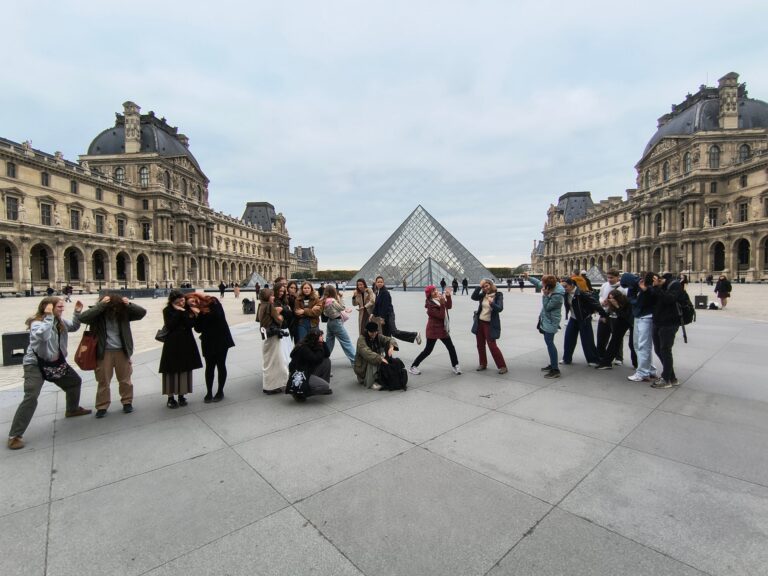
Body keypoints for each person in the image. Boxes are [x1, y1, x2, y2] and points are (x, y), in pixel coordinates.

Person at [7, 297, 91, 450]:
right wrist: (49, 317)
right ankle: (15, 435)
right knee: (31, 396)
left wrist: (77, 313)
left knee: (74, 382)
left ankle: (72, 409)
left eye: (62, 307)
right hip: (35, 365)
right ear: (48, 307)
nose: (62, 309)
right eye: (59, 307)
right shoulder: (36, 323)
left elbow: (73, 327)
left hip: (55, 363)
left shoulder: (60, 321)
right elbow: (43, 336)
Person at [79, 293, 147, 417]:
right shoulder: (98, 314)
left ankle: (127, 402)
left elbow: (142, 313)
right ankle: (102, 406)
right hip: (103, 352)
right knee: (103, 381)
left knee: (125, 380)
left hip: (122, 351)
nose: (114, 309)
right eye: (111, 307)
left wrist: (129, 304)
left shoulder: (124, 314)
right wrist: (100, 306)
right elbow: (83, 318)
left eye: (116, 306)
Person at [159, 290, 203, 408]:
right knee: (170, 371)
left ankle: (181, 395)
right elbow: (170, 325)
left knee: (184, 369)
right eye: (178, 302)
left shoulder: (187, 310)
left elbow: (190, 324)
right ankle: (170, 398)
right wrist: (179, 312)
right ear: (172, 302)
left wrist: (185, 312)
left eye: (183, 300)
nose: (182, 303)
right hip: (172, 344)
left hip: (186, 343)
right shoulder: (167, 310)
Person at [187, 293, 234, 403]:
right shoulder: (195, 311)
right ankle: (209, 392)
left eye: (194, 301)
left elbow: (217, 316)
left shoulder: (213, 301)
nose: (194, 304)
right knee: (209, 366)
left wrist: (200, 313)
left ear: (197, 297)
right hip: (208, 340)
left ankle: (220, 391)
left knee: (221, 364)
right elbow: (198, 329)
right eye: (191, 304)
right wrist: (196, 315)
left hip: (221, 338)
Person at [409, 285, 460, 376]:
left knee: (451, 347)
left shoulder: (439, 299)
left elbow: (449, 306)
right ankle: (413, 366)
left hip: (443, 329)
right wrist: (442, 303)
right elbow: (441, 316)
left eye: (435, 290)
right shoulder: (430, 305)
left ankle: (455, 365)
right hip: (433, 330)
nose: (436, 292)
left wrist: (448, 296)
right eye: (433, 291)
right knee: (428, 350)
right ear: (429, 295)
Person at [560, 277, 607, 366]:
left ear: (572, 285)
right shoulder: (566, 293)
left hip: (584, 319)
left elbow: (595, 304)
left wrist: (603, 315)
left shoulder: (582, 293)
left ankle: (593, 360)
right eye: (562, 286)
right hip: (573, 319)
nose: (564, 288)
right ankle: (566, 359)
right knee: (569, 338)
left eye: (565, 286)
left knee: (587, 340)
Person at [525, 274, 564, 379]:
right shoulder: (551, 286)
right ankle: (553, 364)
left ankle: (555, 370)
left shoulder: (558, 295)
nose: (541, 284)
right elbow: (538, 283)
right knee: (549, 343)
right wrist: (528, 278)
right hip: (547, 319)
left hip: (551, 321)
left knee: (550, 343)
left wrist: (545, 295)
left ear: (548, 285)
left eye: (543, 282)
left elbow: (547, 307)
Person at [622, 272, 659, 382]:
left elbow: (650, 298)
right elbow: (632, 299)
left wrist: (644, 290)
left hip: (646, 317)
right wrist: (636, 300)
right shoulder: (633, 287)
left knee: (643, 345)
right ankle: (650, 370)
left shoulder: (646, 285)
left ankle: (643, 372)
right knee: (638, 345)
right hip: (639, 316)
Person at [649, 273, 682, 388]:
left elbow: (669, 299)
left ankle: (666, 379)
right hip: (658, 321)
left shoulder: (675, 285)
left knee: (665, 350)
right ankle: (672, 377)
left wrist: (657, 288)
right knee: (658, 349)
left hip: (669, 323)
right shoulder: (658, 287)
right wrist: (649, 289)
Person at [471, 279, 507, 374]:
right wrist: (479, 286)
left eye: (487, 285)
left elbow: (500, 308)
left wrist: (492, 303)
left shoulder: (498, 295)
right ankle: (483, 363)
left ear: (491, 285)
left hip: (490, 324)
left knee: (492, 346)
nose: (485, 288)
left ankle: (502, 366)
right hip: (480, 322)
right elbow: (473, 297)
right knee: (480, 345)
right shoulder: (483, 294)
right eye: (483, 287)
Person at [257, 287, 289, 394]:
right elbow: (279, 320)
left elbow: (259, 320)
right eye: (272, 295)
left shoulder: (261, 305)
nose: (274, 297)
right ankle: (273, 386)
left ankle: (269, 385)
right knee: (276, 361)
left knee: (269, 361)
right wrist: (280, 314)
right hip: (273, 335)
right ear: (268, 297)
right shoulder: (270, 306)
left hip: (266, 336)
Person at [372, 276, 421, 344]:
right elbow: (377, 305)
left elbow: (385, 306)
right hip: (384, 316)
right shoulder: (378, 292)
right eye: (378, 282)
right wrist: (372, 314)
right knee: (386, 335)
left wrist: (382, 318)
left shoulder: (385, 292)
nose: (380, 283)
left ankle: (415, 335)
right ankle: (388, 350)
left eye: (381, 282)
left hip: (389, 315)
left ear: (383, 283)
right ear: (376, 283)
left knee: (394, 332)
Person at [287, 328, 332, 401]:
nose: (322, 337)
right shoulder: (304, 348)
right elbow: (316, 359)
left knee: (326, 361)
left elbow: (327, 354)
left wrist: (322, 343)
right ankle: (300, 393)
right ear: (315, 338)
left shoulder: (312, 344)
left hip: (307, 371)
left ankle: (320, 385)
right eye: (320, 336)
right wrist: (320, 346)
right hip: (299, 375)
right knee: (325, 386)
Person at [595, 289, 634, 370]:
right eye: (610, 298)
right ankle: (606, 362)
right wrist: (604, 308)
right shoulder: (611, 304)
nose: (612, 300)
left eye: (613, 299)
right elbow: (609, 312)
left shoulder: (627, 302)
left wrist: (617, 306)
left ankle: (637, 363)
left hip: (631, 321)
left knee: (632, 343)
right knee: (615, 340)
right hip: (621, 319)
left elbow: (627, 316)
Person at [354, 321, 398, 390]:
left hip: (375, 360)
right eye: (372, 332)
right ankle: (371, 382)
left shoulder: (378, 336)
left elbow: (389, 339)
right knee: (373, 360)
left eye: (375, 332)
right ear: (367, 331)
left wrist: (391, 346)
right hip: (363, 367)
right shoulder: (361, 339)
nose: (374, 334)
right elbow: (367, 353)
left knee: (388, 360)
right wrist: (380, 358)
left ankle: (379, 377)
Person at [321, 285, 356, 364]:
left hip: (330, 322)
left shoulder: (324, 300)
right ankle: (355, 360)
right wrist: (341, 297)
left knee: (329, 343)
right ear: (333, 291)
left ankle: (323, 360)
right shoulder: (332, 300)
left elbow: (325, 313)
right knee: (346, 341)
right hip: (336, 322)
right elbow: (342, 307)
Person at [596, 269, 624, 365]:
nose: (609, 279)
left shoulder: (622, 288)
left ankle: (618, 357)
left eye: (611, 278)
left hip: (616, 315)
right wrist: (602, 301)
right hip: (605, 313)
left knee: (617, 337)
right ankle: (602, 355)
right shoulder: (604, 285)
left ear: (617, 277)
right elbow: (600, 296)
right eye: (608, 277)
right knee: (602, 336)